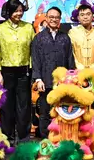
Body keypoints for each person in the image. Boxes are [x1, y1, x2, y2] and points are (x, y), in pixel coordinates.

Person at [0, 0, 35, 145]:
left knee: (24, 106)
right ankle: (7, 137)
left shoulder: (28, 28)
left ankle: (23, 138)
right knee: (7, 106)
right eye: (16, 11)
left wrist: (34, 71)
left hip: (24, 71)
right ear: (9, 12)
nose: (19, 13)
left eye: (21, 10)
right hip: (6, 72)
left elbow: (33, 51)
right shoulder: (0, 29)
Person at [31, 7, 75, 138]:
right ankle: (46, 141)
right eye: (51, 17)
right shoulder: (39, 38)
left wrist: (71, 79)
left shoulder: (65, 38)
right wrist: (38, 79)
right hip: (45, 82)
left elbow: (69, 59)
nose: (54, 20)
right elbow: (35, 60)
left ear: (60, 19)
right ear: (46, 19)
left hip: (61, 83)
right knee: (45, 113)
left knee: (62, 112)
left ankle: (61, 138)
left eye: (56, 17)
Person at [68, 3, 94, 128]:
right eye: (82, 15)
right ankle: (80, 132)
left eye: (88, 14)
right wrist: (79, 70)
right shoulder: (72, 33)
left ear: (93, 16)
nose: (85, 17)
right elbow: (71, 53)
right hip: (78, 74)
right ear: (77, 17)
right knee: (79, 105)